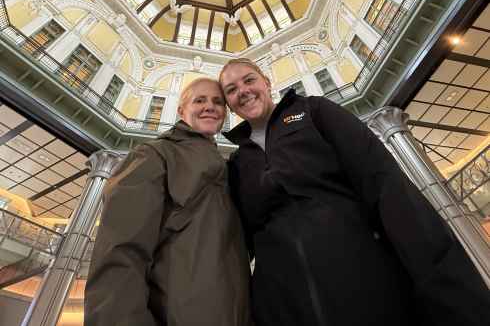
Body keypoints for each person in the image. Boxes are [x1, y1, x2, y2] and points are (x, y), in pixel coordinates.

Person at [219, 58, 490, 326]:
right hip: (289, 307)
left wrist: (453, 295)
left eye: (249, 80)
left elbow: (383, 182)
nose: (242, 91)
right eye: (231, 90)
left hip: (368, 286)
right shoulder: (238, 164)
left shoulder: (315, 111)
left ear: (266, 82)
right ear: (229, 104)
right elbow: (239, 244)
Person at [84, 77, 253, 326]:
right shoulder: (153, 154)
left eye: (218, 102)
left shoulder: (228, 170)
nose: (210, 106)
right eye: (200, 100)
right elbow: (121, 249)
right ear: (181, 110)